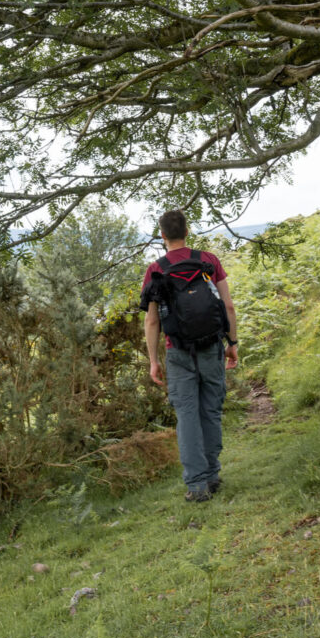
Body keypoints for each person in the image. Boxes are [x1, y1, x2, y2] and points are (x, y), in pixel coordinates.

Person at [140, 209, 238, 502]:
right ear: (187, 230)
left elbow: (152, 320)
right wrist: (232, 343)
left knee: (187, 417)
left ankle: (197, 486)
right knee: (210, 410)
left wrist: (154, 361)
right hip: (211, 347)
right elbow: (228, 306)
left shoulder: (155, 269)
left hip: (177, 352)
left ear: (162, 235)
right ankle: (212, 474)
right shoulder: (208, 261)